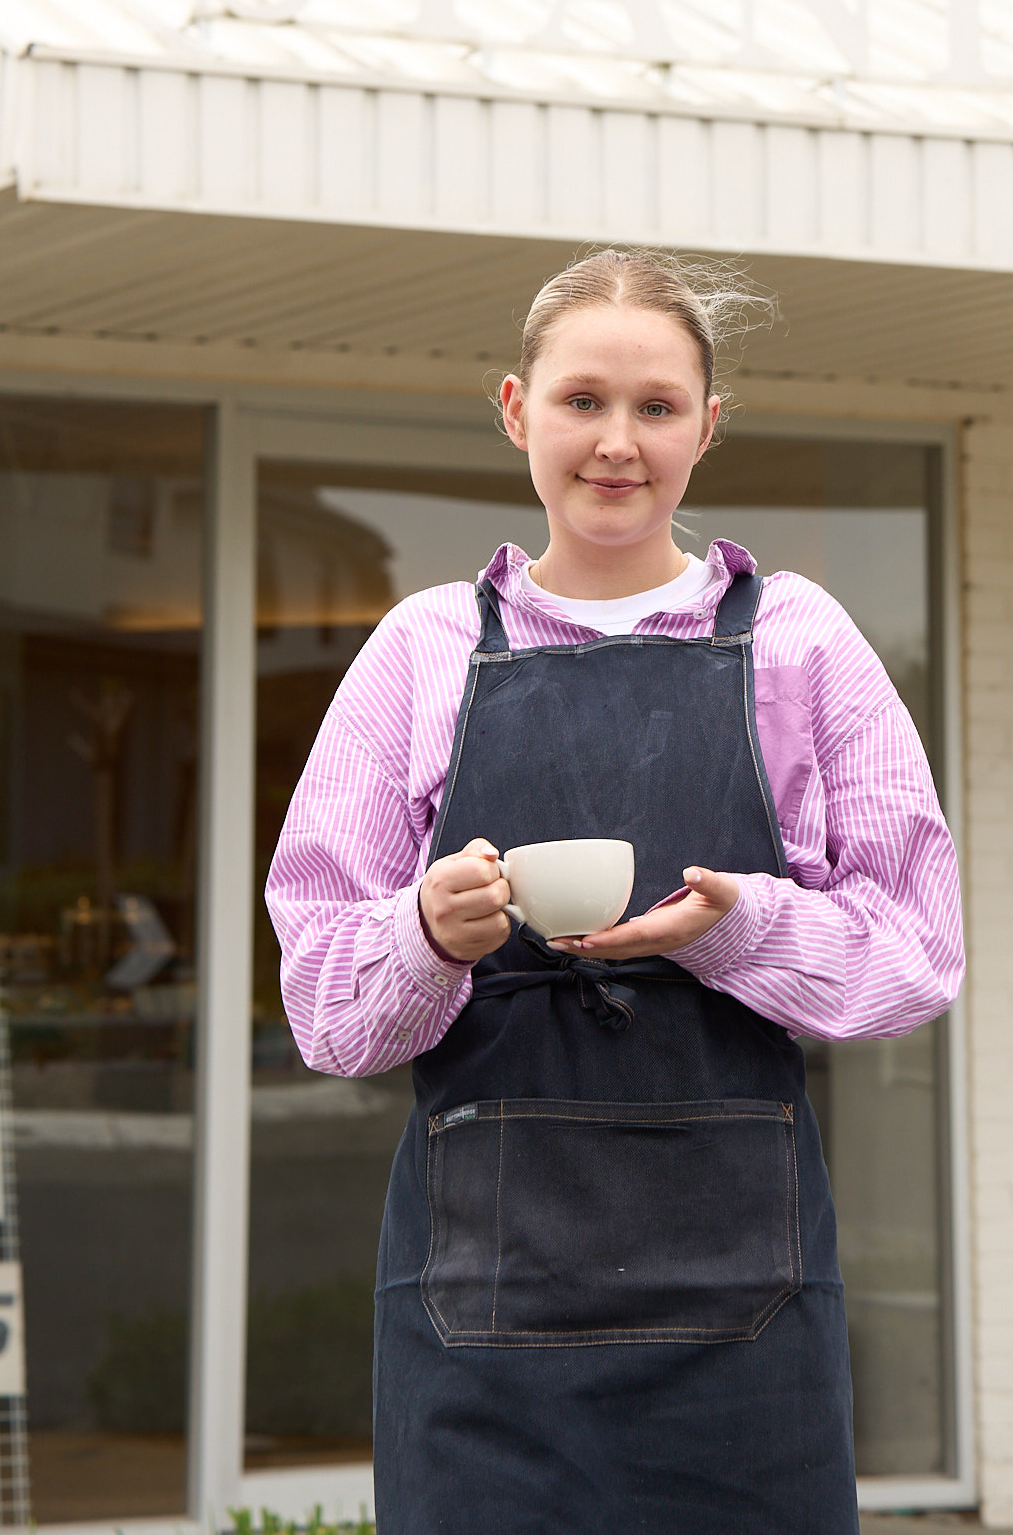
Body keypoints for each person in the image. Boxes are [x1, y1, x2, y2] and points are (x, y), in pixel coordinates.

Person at [265, 248, 964, 1535]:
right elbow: (322, 1002)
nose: (616, 443)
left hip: (745, 1322)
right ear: (516, 408)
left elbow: (918, 950)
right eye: (583, 400)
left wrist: (738, 926)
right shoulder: (423, 648)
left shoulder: (799, 639)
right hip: (479, 1316)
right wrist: (425, 933)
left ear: (709, 424)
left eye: (655, 406)